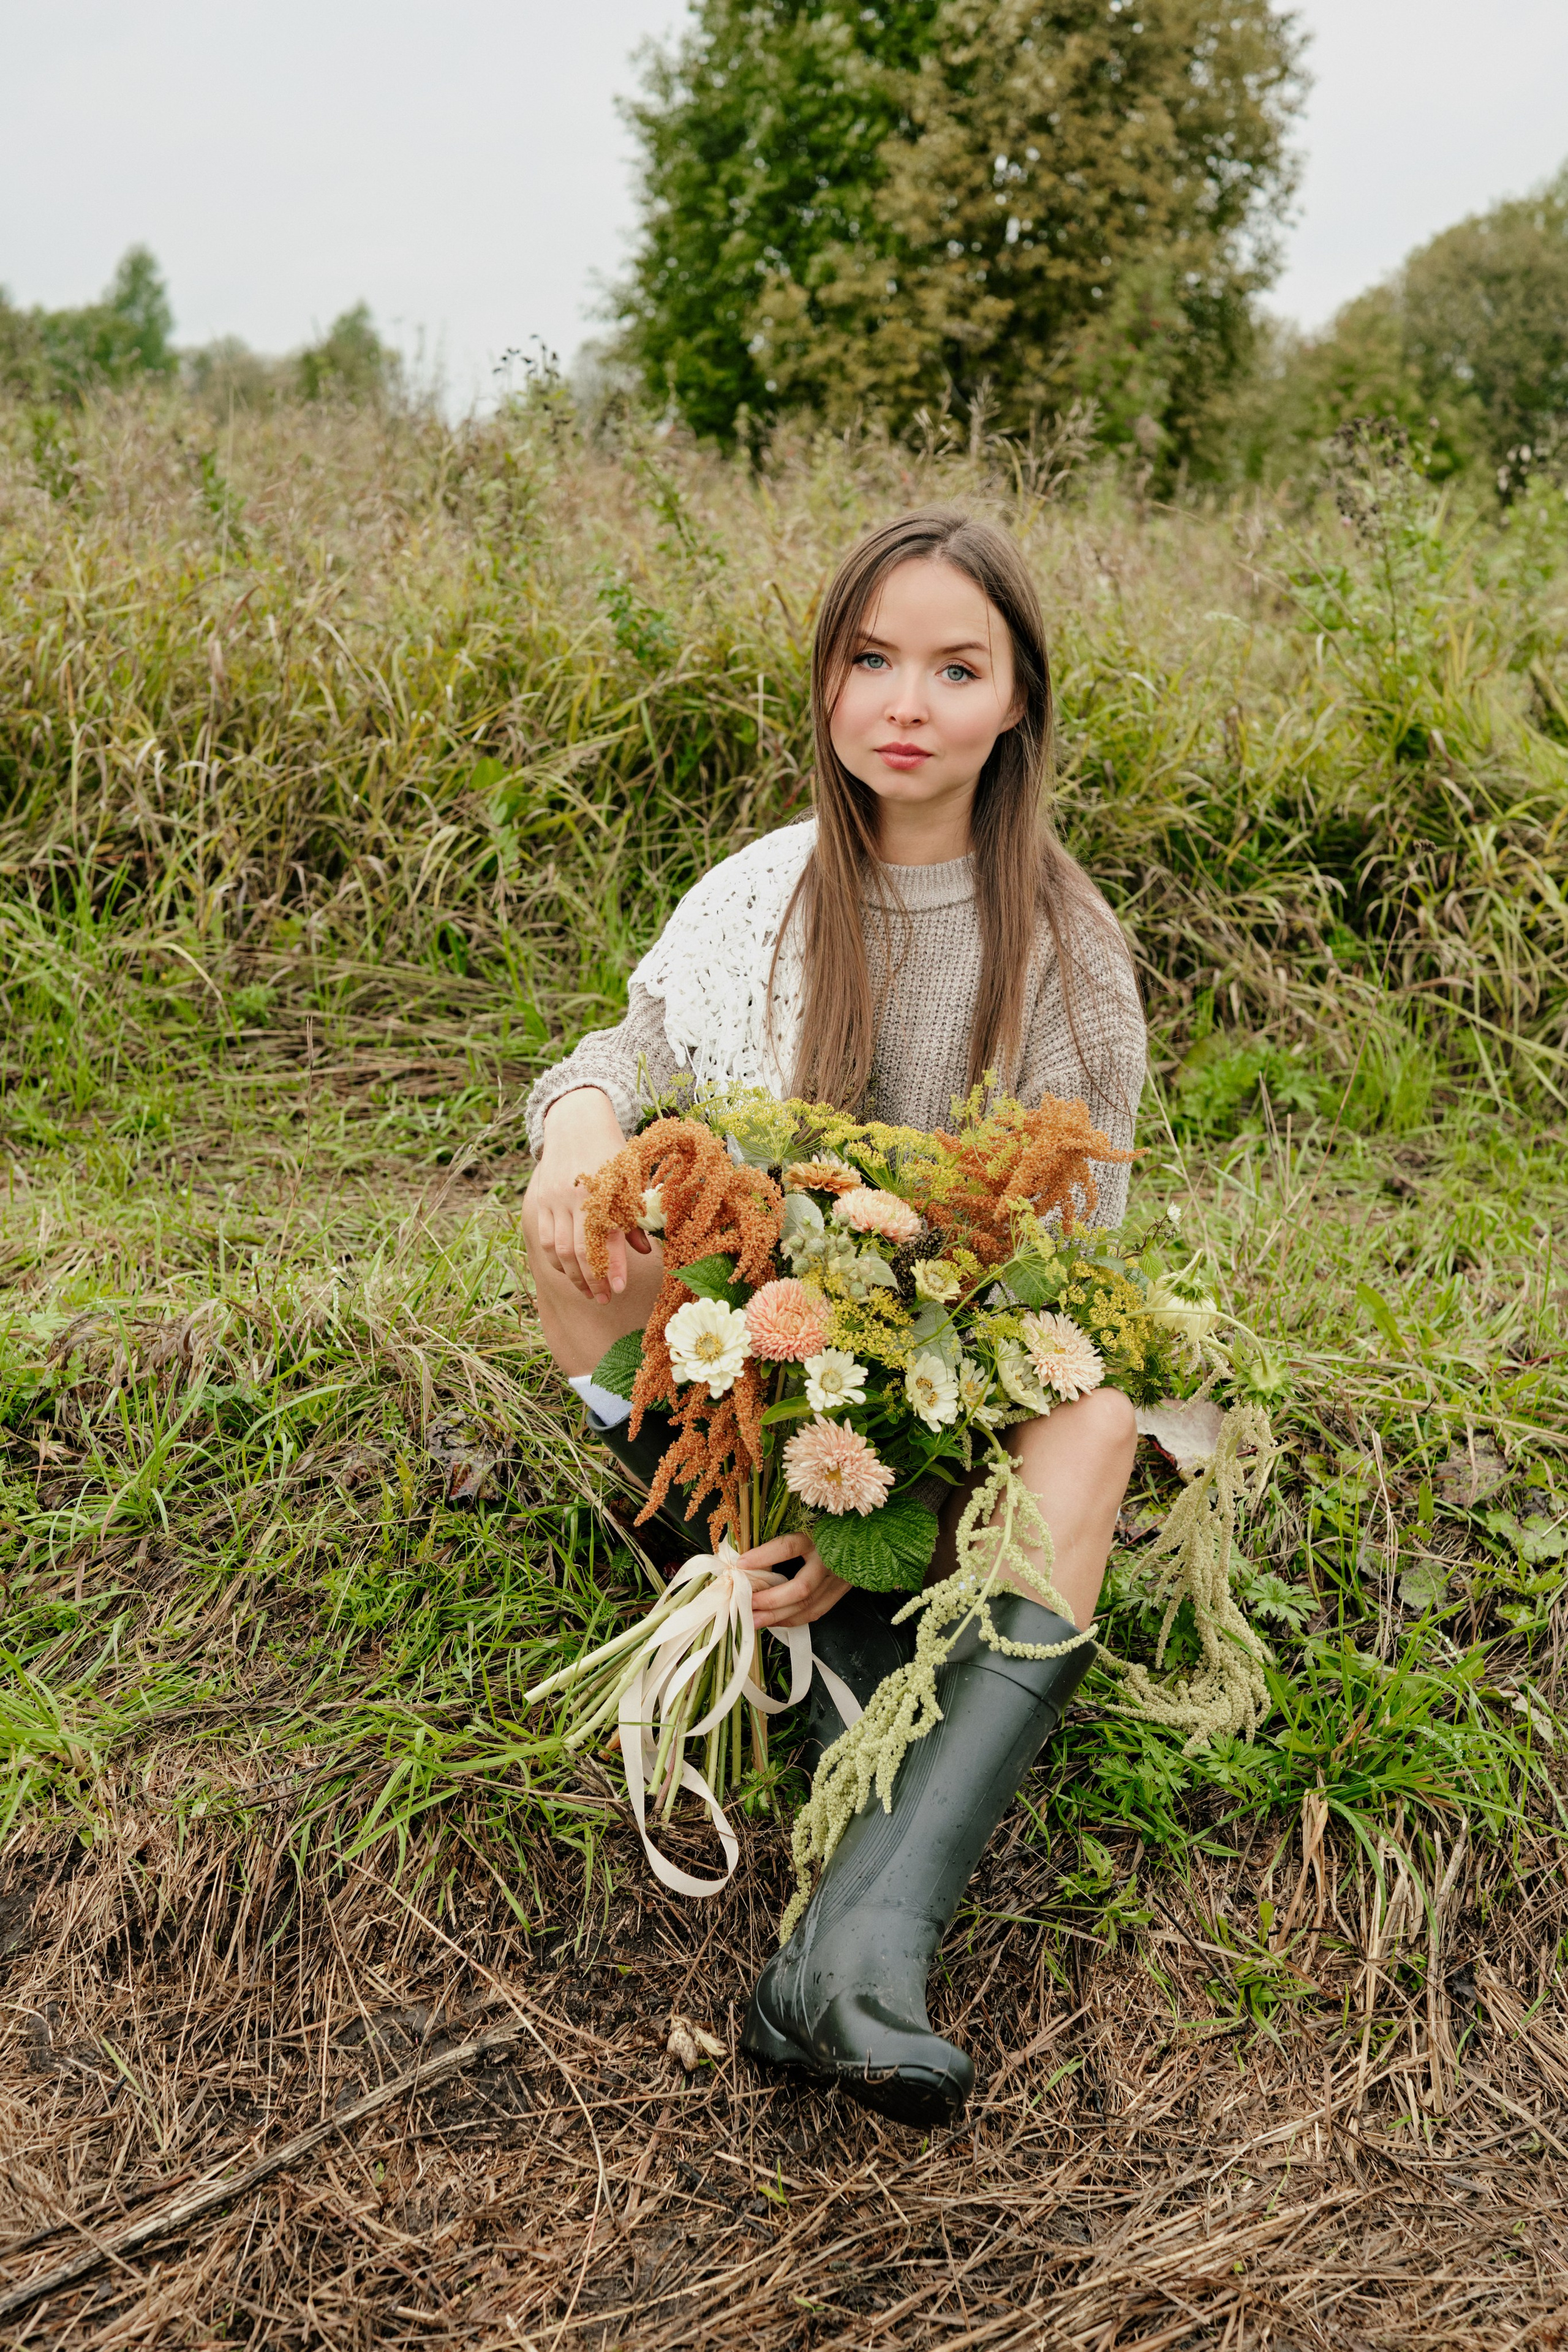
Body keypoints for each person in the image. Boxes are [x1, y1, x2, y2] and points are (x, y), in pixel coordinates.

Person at [521, 508, 1146, 2125]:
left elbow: (1064, 1286)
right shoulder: (758, 900)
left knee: (1098, 1416)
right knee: (596, 1223)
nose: (906, 700)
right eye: (870, 659)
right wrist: (586, 1121)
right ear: (824, 683)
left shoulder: (1069, 951)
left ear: (1018, 702)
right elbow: (622, 1051)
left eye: (957, 665)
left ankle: (859, 1946)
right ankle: (753, 1576)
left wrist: (897, 1485)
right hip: (760, 1380)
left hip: (952, 1384)